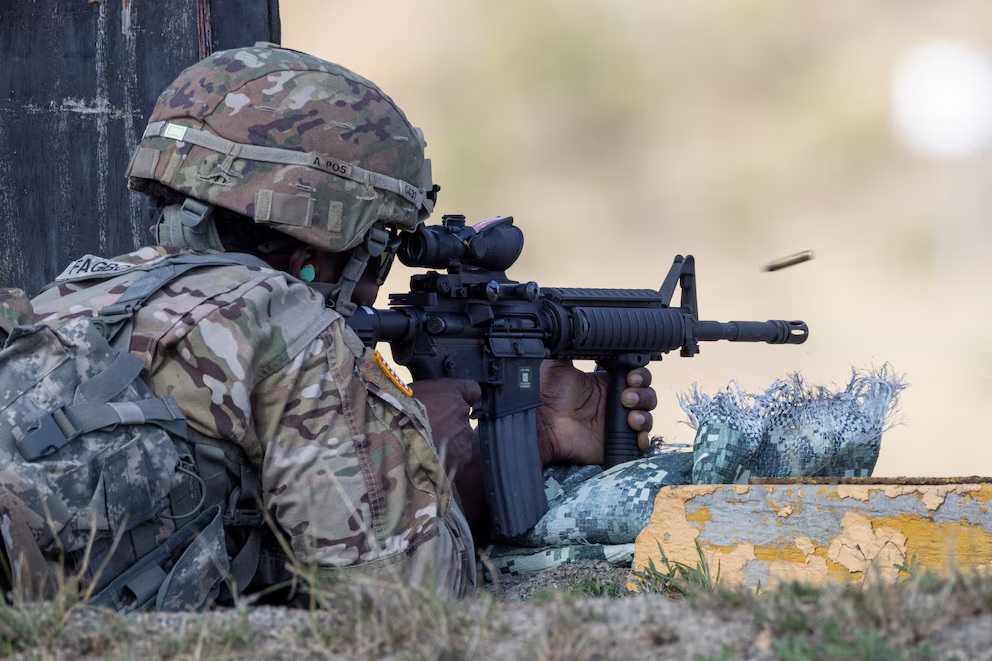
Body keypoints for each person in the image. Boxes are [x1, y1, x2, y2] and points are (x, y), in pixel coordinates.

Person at [27, 43, 656, 601]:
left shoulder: (76, 293)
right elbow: (410, 602)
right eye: (381, 245)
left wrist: (531, 437)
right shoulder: (292, 333)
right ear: (322, 247)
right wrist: (421, 455)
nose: (373, 283)